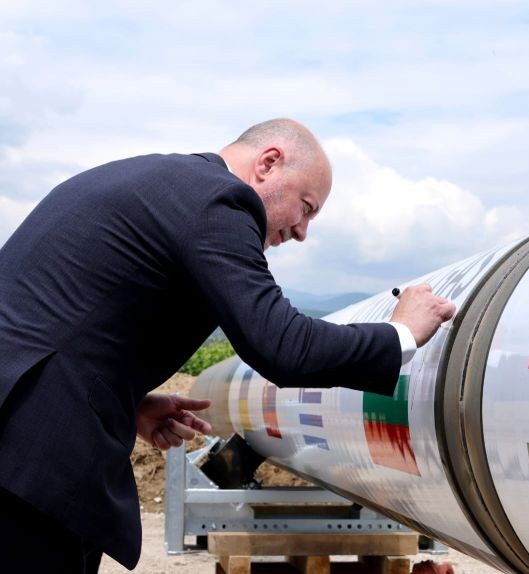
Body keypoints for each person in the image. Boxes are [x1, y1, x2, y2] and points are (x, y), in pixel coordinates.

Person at [0, 119, 455, 572]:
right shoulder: (219, 199)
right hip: (30, 450)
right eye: (306, 207)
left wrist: (128, 402)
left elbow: (67, 321)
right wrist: (401, 332)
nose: (302, 232)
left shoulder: (164, 184)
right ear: (269, 163)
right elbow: (282, 345)